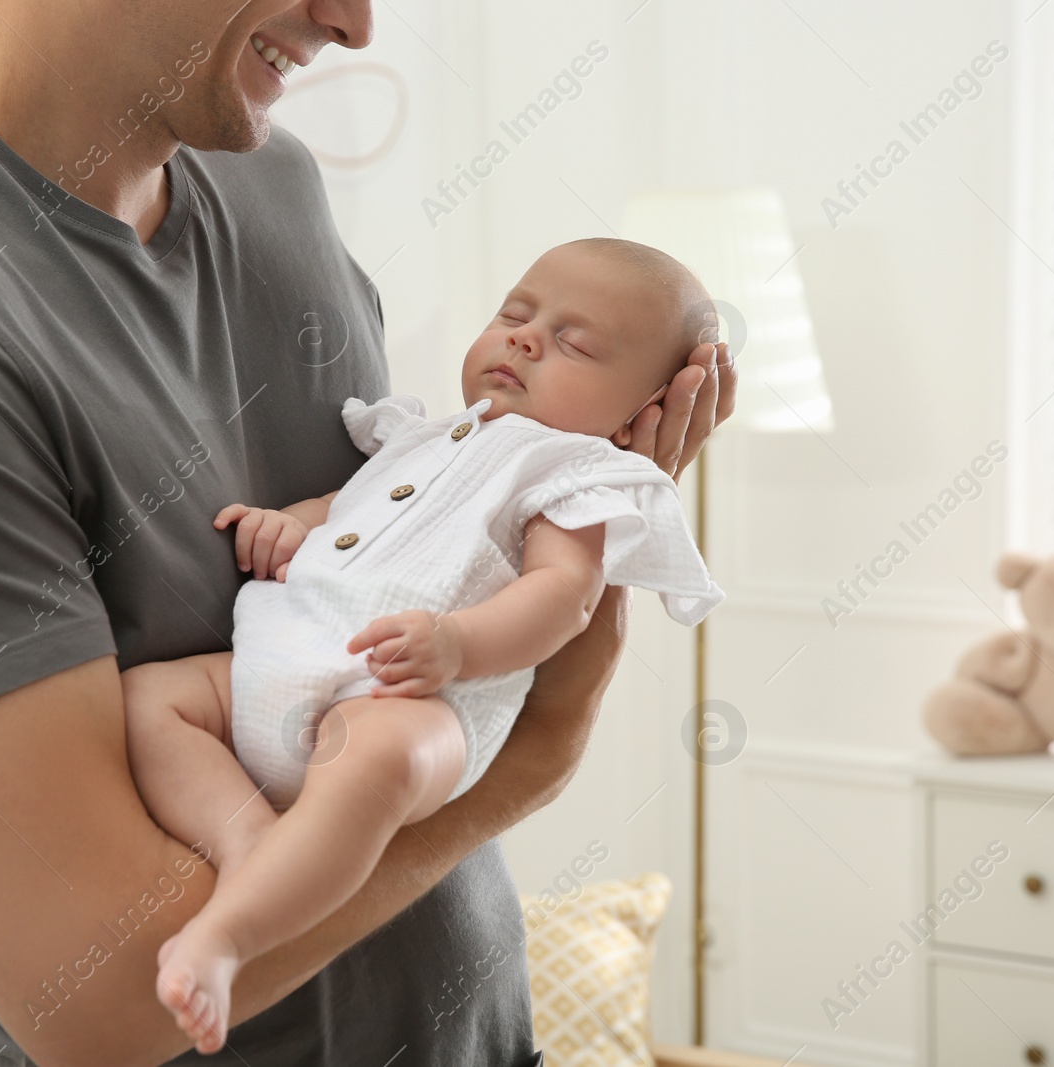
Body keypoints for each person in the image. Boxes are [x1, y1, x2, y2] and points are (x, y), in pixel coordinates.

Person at [0, 2, 734, 1065]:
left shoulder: (272, 186)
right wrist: (537, 749)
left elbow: (393, 544)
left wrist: (567, 494)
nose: (353, 24)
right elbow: (102, 999)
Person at [123, 238, 727, 1052]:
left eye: (574, 342)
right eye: (516, 314)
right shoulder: (428, 437)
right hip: (284, 656)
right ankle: (248, 844)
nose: (524, 337)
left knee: (384, 757)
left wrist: (457, 643)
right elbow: (351, 505)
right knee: (152, 699)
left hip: (413, 698)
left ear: (638, 411)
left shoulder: (578, 473)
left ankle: (227, 936)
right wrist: (291, 524)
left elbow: (563, 595)